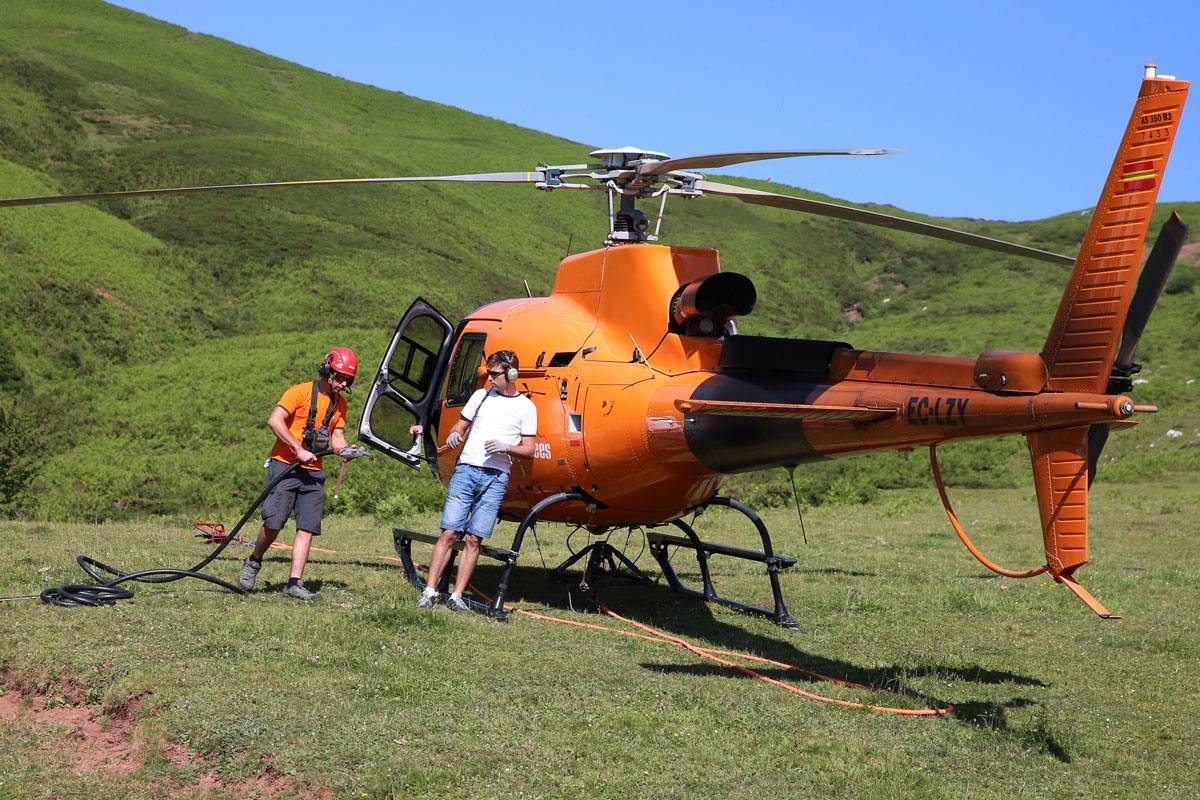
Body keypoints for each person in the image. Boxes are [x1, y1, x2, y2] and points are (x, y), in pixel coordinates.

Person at [418, 350, 537, 612]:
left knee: (474, 539)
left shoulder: (526, 407)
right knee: (449, 532)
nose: (489, 377)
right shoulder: (480, 396)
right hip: (467, 470)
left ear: (511, 374)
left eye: (494, 373)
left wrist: (506, 447)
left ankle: (457, 596)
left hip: (496, 478)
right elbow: (460, 425)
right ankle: (429, 592)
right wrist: (453, 435)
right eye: (488, 372)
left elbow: (529, 449)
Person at [237, 347, 357, 601]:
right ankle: (254, 561)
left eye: (348, 379)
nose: (344, 383)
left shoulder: (340, 404)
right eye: (341, 377)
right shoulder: (299, 392)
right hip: (285, 465)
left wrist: (345, 449)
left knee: (307, 526)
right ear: (328, 371)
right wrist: (297, 449)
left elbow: (337, 437)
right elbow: (275, 420)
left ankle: (294, 583)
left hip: (313, 473)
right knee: (274, 522)